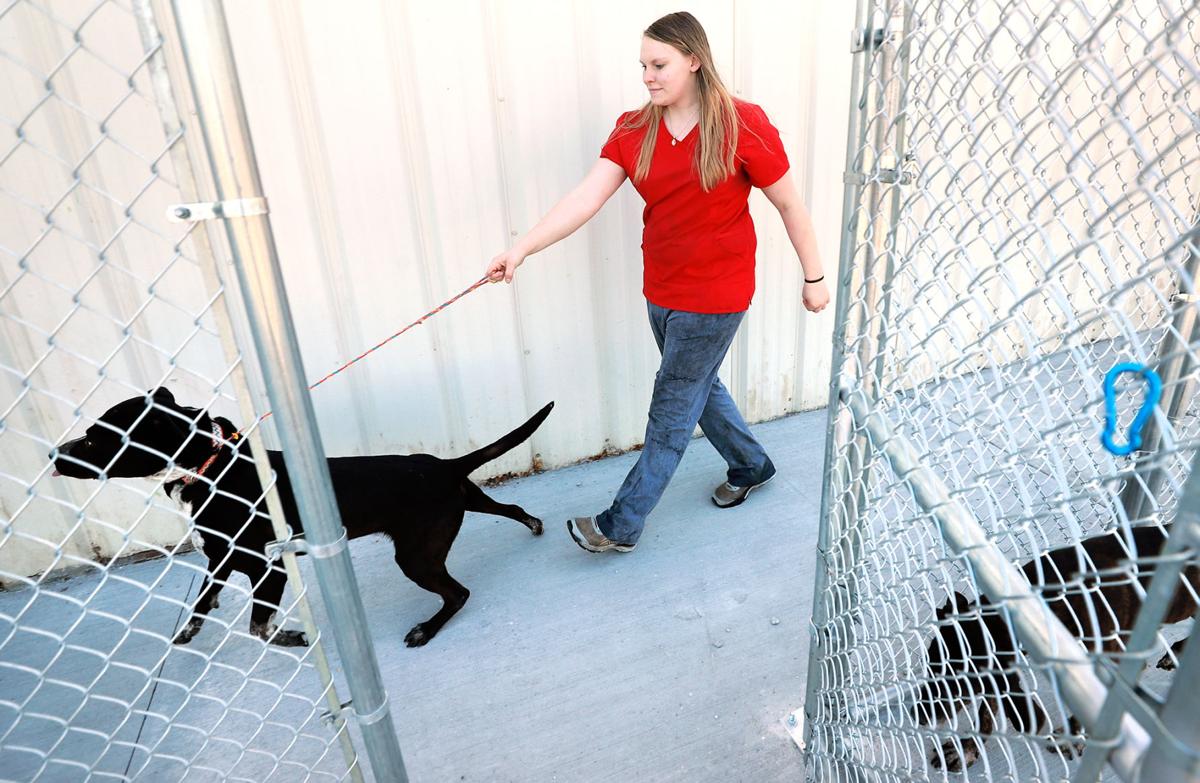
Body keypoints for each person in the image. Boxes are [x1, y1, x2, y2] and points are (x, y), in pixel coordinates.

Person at [485, 11, 828, 554]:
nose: (648, 75)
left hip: (717, 295)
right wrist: (521, 248)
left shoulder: (742, 123)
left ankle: (620, 525)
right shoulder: (634, 128)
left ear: (694, 59)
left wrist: (814, 277)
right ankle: (752, 465)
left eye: (659, 63)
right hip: (662, 291)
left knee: (672, 407)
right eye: (642, 65)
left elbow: (789, 204)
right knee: (698, 387)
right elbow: (585, 198)